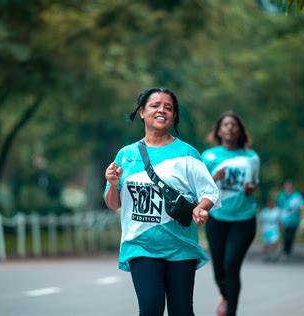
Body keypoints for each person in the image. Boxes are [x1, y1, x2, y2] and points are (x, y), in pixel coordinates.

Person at [104, 87, 219, 316]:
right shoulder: (126, 155)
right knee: (150, 309)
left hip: (180, 245)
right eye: (155, 105)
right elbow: (112, 203)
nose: (162, 110)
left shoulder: (187, 154)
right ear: (142, 112)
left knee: (181, 311)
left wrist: (201, 208)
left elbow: (209, 192)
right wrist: (114, 183)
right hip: (141, 245)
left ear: (174, 115)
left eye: (168, 107)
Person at [201, 111, 260, 316]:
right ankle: (226, 296)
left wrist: (252, 188)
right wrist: (213, 177)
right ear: (218, 130)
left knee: (231, 264)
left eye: (234, 125)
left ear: (240, 130)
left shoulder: (251, 157)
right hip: (217, 217)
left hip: (244, 218)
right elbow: (198, 186)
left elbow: (254, 183)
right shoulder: (208, 156)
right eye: (225, 124)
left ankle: (230, 311)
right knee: (219, 269)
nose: (229, 128)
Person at [276, 180, 304, 258]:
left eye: (289, 186)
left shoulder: (297, 196)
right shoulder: (281, 196)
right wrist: (278, 221)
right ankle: (285, 250)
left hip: (293, 221)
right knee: (284, 236)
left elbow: (303, 207)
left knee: (290, 236)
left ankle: (287, 251)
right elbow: (278, 209)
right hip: (283, 220)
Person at [258, 198, 281, 262]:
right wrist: (261, 228)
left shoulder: (277, 210)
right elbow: (261, 220)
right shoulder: (264, 211)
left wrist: (280, 227)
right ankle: (266, 255)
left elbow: (279, 220)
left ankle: (273, 255)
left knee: (275, 242)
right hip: (266, 229)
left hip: (274, 228)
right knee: (266, 244)